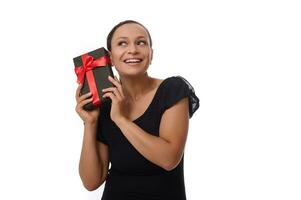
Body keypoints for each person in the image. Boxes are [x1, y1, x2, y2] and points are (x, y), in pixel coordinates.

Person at [75, 20, 200, 200]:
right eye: (122, 43)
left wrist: (121, 120)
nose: (132, 49)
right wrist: (90, 123)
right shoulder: (105, 104)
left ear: (151, 54)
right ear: (109, 58)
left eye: (141, 42)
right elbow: (91, 182)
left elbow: (169, 159)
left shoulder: (172, 90)